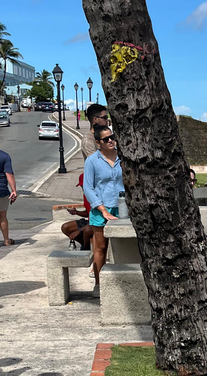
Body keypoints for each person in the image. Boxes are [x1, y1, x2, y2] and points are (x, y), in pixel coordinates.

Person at [83, 124, 124, 298]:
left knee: (123, 245)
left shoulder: (123, 157)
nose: (110, 141)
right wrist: (102, 209)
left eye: (112, 137)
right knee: (100, 248)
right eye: (106, 139)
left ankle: (123, 282)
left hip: (122, 207)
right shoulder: (92, 161)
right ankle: (99, 284)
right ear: (98, 142)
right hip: (101, 209)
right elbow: (88, 187)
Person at [61, 173, 94, 251]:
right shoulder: (86, 195)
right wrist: (76, 212)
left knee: (87, 230)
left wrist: (79, 230)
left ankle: (86, 249)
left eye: (83, 186)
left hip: (96, 222)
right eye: (81, 186)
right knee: (65, 227)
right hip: (90, 221)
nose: (82, 188)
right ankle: (84, 243)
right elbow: (87, 212)